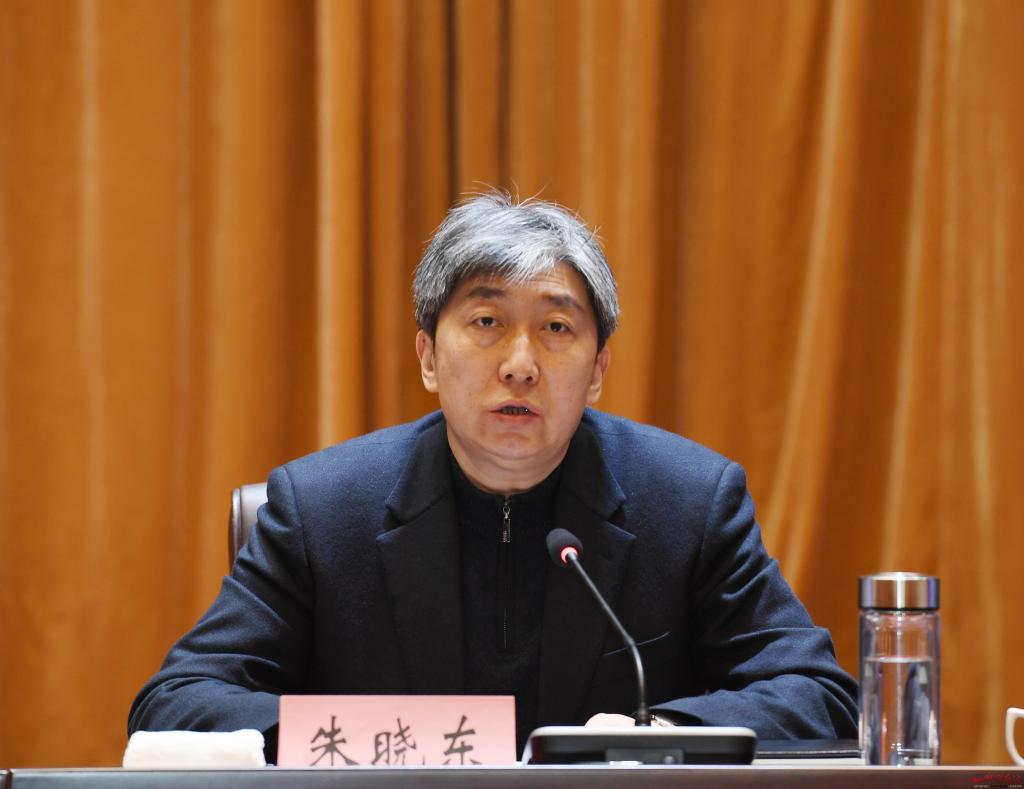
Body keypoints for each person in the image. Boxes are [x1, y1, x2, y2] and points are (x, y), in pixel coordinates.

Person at [129, 192, 858, 760]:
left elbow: (820, 695)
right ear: (427, 356)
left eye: (556, 328)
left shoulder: (688, 502)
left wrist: (657, 733)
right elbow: (176, 702)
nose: (520, 363)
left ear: (598, 371)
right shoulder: (322, 511)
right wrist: (375, 740)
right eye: (485, 322)